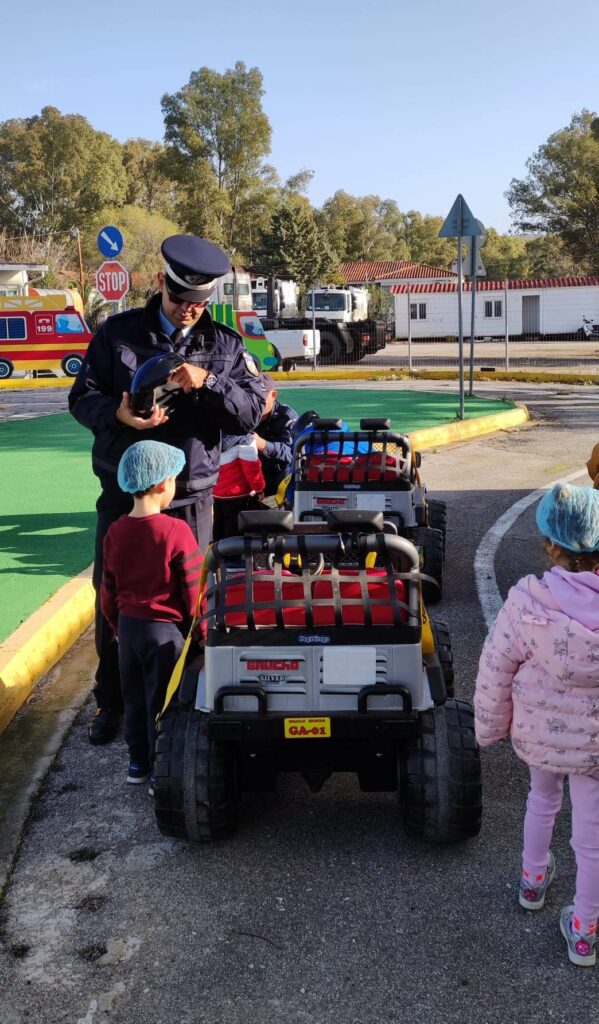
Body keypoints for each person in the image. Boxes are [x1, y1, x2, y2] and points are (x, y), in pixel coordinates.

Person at [69, 235, 265, 745]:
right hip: (125, 496)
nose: (188, 313)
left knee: (190, 602)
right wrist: (116, 412)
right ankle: (110, 702)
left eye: (199, 305)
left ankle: (184, 700)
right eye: (181, 301)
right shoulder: (117, 334)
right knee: (113, 601)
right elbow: (81, 398)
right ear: (161, 284)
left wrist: (208, 383)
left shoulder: (223, 344)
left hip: (190, 497)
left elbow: (251, 411)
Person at [474, 482, 599, 967]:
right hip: (593, 745)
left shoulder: (527, 604)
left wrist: (490, 727)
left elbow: (495, 668)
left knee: (542, 800)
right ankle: (586, 930)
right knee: (591, 831)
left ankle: (532, 881)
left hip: (540, 735)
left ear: (550, 544)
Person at [101, 441, 202, 789]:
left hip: (127, 631)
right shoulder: (176, 532)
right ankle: (162, 769)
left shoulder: (115, 531)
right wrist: (198, 630)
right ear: (162, 485)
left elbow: (107, 590)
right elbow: (193, 591)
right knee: (164, 703)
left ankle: (137, 764)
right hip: (165, 635)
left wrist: (117, 627)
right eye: (174, 479)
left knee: (134, 698)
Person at [212, 432, 266, 541]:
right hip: (239, 495)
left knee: (219, 527)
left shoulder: (214, 435)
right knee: (234, 534)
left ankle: (216, 555)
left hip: (216, 493)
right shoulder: (245, 439)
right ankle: (233, 556)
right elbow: (252, 470)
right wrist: (260, 489)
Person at [253, 374, 298, 498]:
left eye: (261, 398)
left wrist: (262, 444)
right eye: (252, 397)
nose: (256, 403)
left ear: (273, 395)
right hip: (250, 475)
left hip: (277, 478)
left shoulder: (287, 417)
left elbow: (292, 452)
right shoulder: (244, 414)